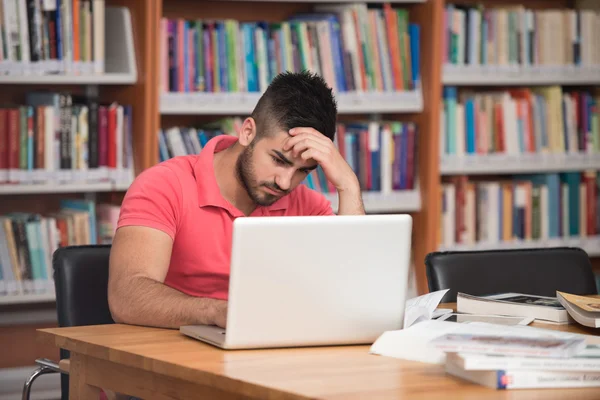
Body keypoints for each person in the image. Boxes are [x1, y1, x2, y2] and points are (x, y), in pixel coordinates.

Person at [107, 71, 365, 330]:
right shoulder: (164, 185)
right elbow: (126, 297)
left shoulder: (309, 207)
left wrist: (348, 185)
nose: (285, 183)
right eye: (278, 160)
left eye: (303, 171)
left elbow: (354, 295)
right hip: (171, 353)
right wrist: (216, 311)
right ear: (248, 132)